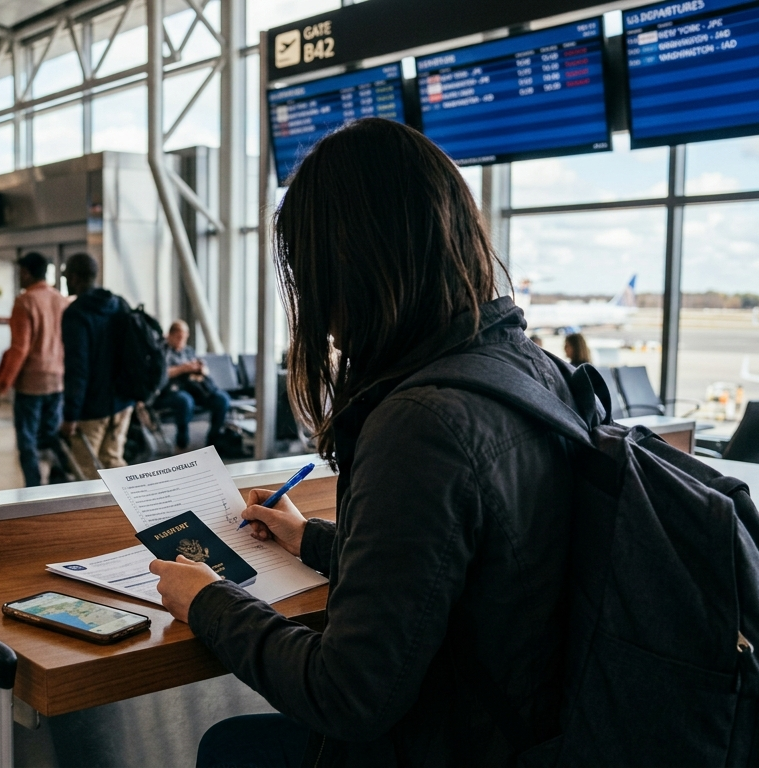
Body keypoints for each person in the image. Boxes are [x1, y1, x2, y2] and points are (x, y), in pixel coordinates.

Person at [149, 118, 575, 767]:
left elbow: (346, 694)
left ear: (349, 269)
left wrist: (208, 600)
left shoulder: (421, 423)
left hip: (452, 741)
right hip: (527, 729)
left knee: (230, 751)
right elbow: (456, 570)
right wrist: (310, 538)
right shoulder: (530, 371)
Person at [0, 252, 70, 487]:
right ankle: (60, 478)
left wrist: (2, 386)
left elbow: (19, 348)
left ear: (26, 272)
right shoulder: (62, 300)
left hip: (31, 384)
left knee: (27, 440)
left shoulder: (25, 301)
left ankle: (34, 489)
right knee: (52, 434)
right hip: (58, 380)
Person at [59, 252, 133, 475]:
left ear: (74, 278)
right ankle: (129, 507)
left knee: (87, 471)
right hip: (122, 401)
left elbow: (77, 368)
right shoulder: (119, 304)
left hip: (92, 408)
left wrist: (70, 415)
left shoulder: (76, 314)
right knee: (113, 462)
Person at [154, 320, 231, 450]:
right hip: (171, 390)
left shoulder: (189, 351)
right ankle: (182, 442)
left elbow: (205, 371)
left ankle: (213, 440)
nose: (181, 340)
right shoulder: (163, 351)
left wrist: (200, 369)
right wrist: (183, 368)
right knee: (185, 401)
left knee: (222, 399)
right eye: (178, 337)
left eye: (183, 337)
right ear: (170, 335)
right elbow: (161, 374)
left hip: (195, 388)